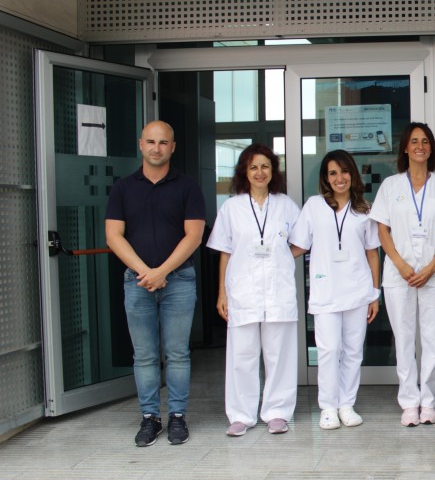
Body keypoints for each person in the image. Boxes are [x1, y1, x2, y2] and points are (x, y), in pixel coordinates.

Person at [104, 120, 206, 447]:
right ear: (140, 144)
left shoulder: (188, 187)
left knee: (177, 353)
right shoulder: (123, 188)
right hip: (137, 283)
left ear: (173, 147)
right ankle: (150, 418)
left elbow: (194, 236)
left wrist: (162, 270)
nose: (156, 148)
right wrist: (145, 272)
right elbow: (113, 236)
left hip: (179, 281)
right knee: (145, 355)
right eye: (151, 141)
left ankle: (177, 416)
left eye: (163, 142)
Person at [370, 123, 435, 427]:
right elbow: (381, 229)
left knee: (432, 340)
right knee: (404, 339)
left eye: (425, 141)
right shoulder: (390, 186)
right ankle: (409, 401)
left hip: (434, 275)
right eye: (414, 141)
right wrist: (399, 263)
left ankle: (429, 401)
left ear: (432, 149)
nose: (420, 146)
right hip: (400, 275)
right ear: (405, 148)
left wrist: (431, 267)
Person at [207, 144, 300, 436]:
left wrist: (282, 256)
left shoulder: (286, 204)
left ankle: (277, 412)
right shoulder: (232, 207)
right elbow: (224, 251)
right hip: (242, 291)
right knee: (242, 355)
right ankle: (241, 415)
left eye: (265, 167)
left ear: (273, 171)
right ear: (244, 172)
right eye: (253, 167)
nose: (260, 173)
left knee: (279, 354)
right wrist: (222, 292)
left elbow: (302, 241)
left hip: (278, 290)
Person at [290, 150, 381, 430]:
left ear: (353, 174)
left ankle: (347, 404)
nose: (339, 178)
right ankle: (328, 406)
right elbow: (299, 246)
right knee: (329, 350)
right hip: (325, 290)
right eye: (332, 173)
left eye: (343, 172)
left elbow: (373, 253)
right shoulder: (313, 206)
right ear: (325, 179)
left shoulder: (365, 209)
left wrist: (374, 293)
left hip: (357, 290)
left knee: (353, 351)